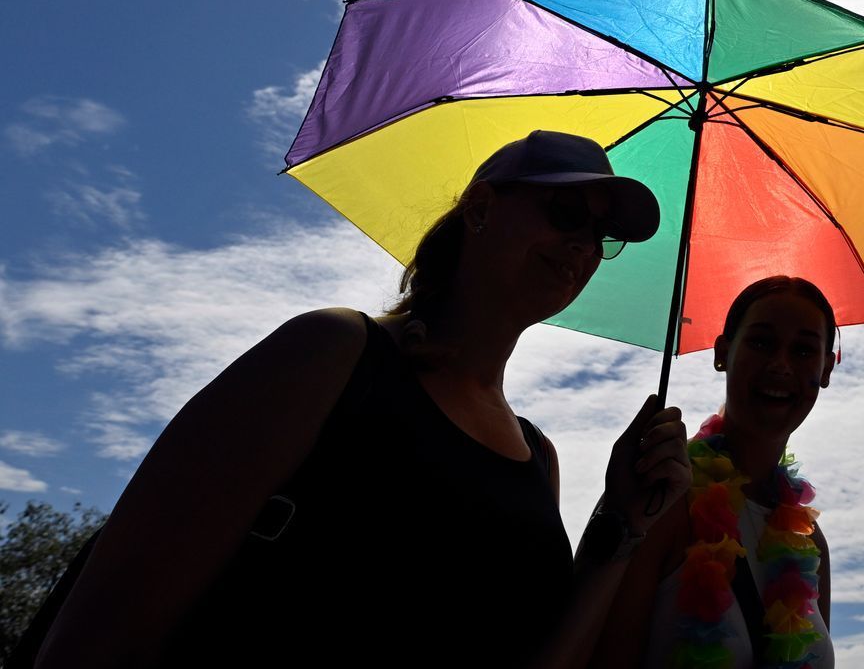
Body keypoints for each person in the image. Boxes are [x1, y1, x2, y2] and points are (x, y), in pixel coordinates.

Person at [30, 130, 692, 669]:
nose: (582, 245)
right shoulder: (331, 355)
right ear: (482, 207)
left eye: (602, 236)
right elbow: (100, 632)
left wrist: (622, 527)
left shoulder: (537, 457)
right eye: (566, 212)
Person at [591, 277, 838, 669]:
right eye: (760, 342)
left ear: (826, 369)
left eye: (805, 350)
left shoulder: (811, 545)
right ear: (723, 352)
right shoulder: (660, 498)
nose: (780, 364)